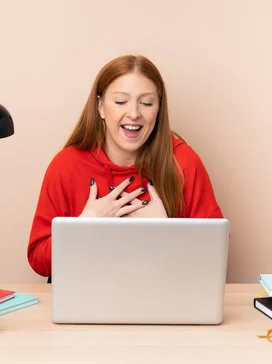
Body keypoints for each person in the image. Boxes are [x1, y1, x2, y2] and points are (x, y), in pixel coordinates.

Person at [27, 55, 223, 279]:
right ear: (100, 107)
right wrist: (84, 228)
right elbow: (38, 260)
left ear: (158, 109)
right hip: (87, 304)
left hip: (163, 302)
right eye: (120, 102)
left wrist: (165, 231)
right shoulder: (66, 165)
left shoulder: (183, 162)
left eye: (147, 103)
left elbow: (214, 255)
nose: (134, 113)